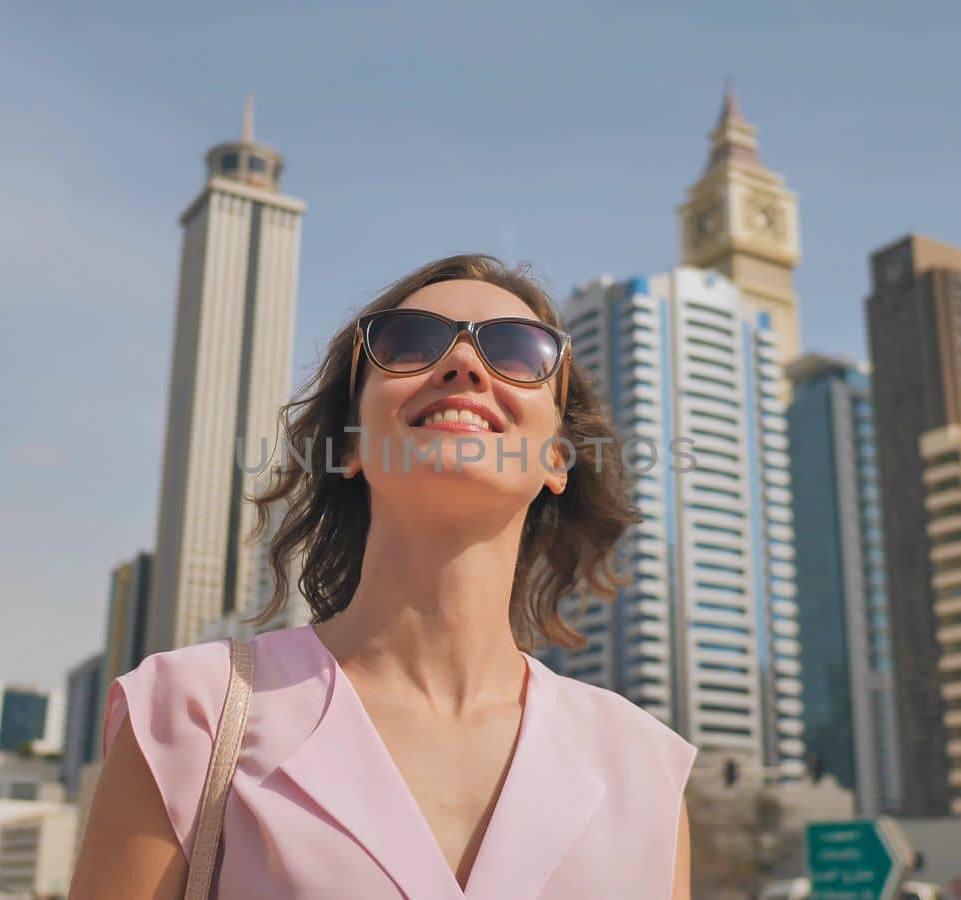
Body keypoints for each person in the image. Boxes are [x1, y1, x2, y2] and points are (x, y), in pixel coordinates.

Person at [71, 254, 696, 898]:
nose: (464, 365)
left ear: (558, 460)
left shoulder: (644, 766)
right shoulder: (190, 711)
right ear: (349, 446)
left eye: (517, 350)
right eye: (410, 342)